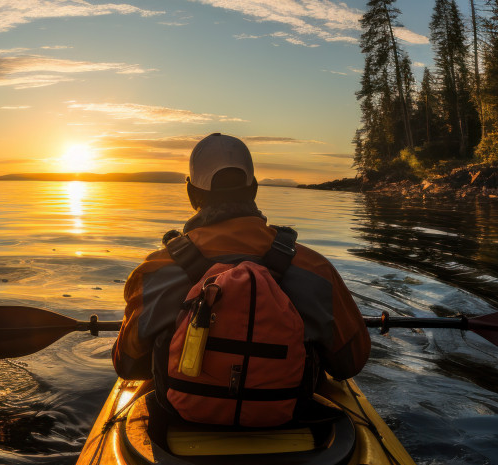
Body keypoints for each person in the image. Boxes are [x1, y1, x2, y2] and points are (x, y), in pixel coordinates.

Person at [113, 133, 371, 424]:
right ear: (255, 189)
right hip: (289, 418)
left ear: (191, 193)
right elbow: (350, 363)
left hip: (179, 419)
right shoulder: (315, 268)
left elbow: (129, 367)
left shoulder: (154, 271)